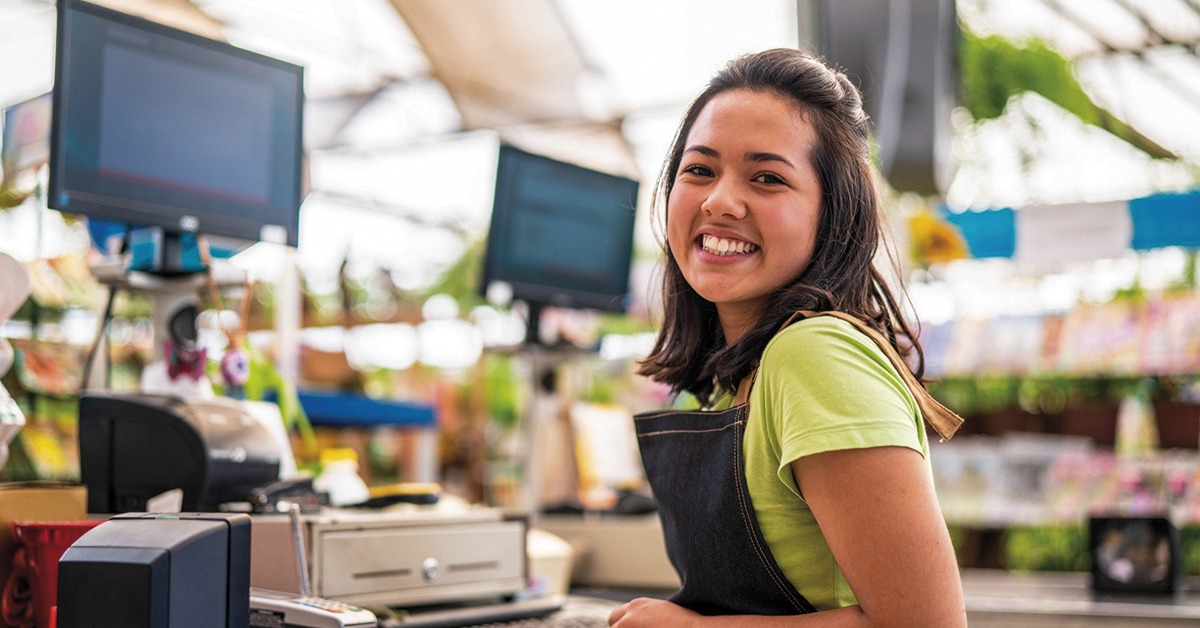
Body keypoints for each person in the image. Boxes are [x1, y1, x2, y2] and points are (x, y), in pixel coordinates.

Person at [608, 48, 967, 627]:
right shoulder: (736, 379)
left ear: (833, 213)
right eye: (699, 170)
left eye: (767, 178)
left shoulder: (814, 353)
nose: (720, 200)